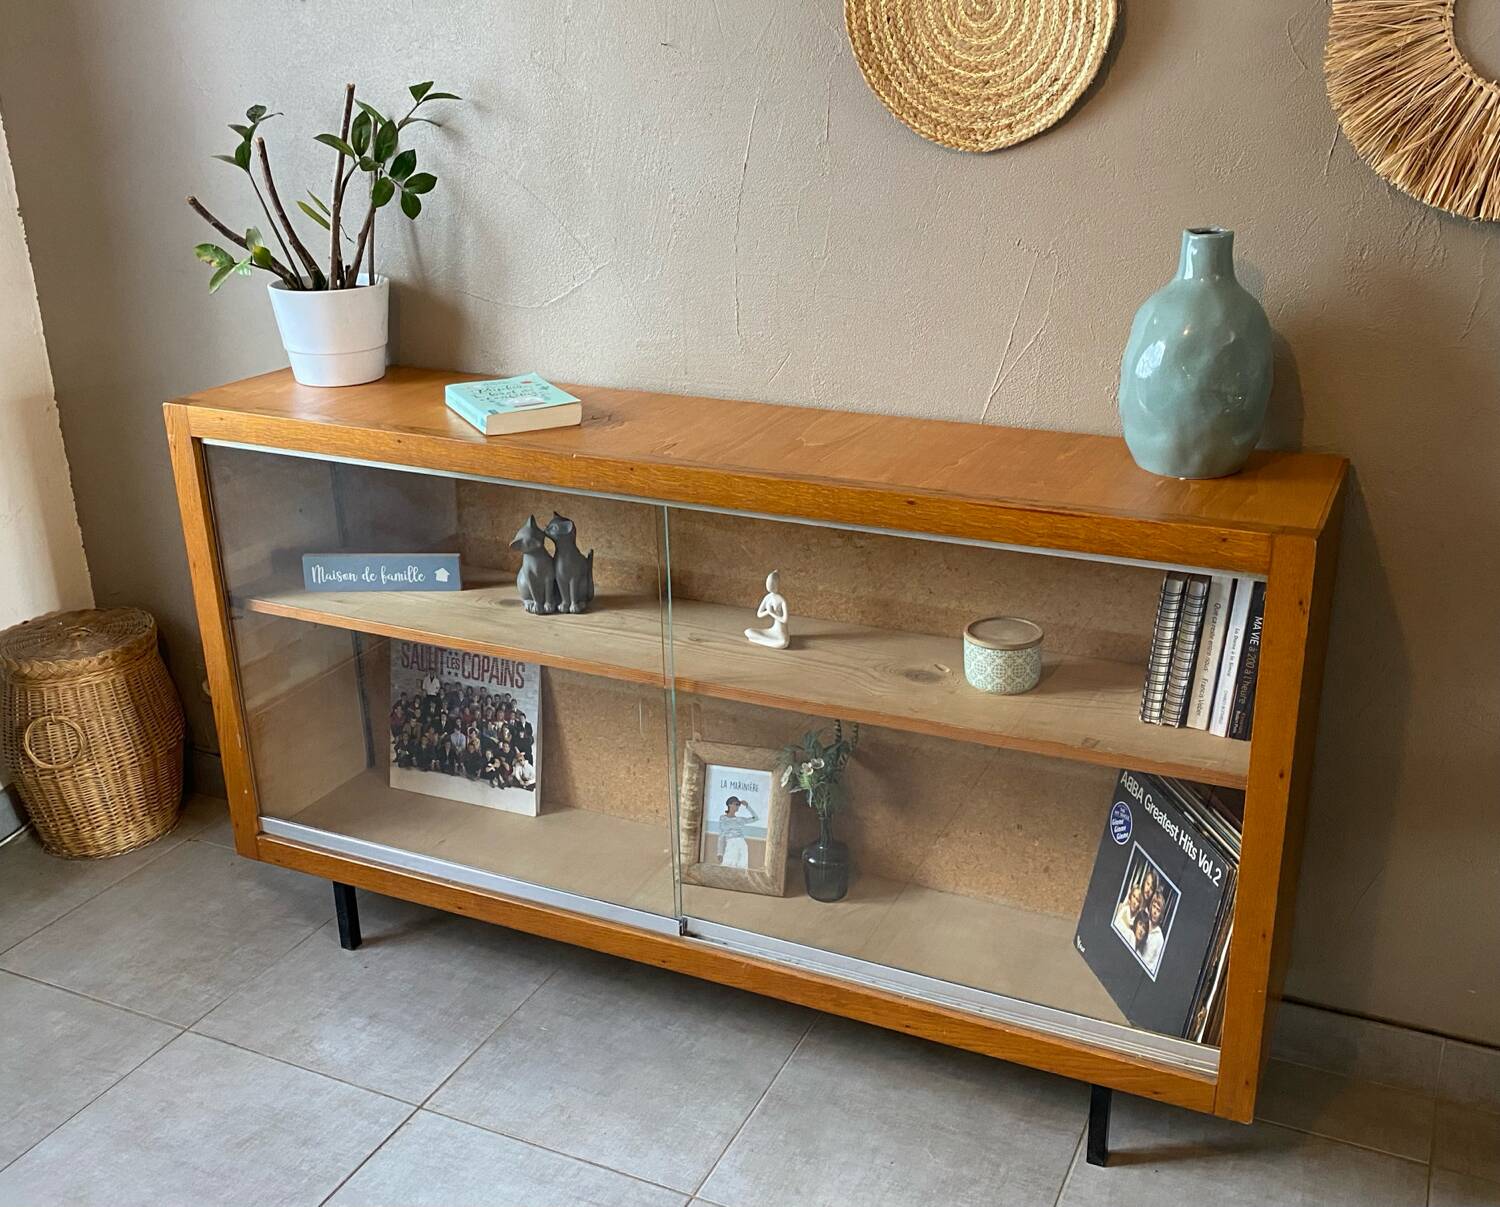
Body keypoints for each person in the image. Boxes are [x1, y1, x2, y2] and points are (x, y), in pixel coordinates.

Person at [716, 795, 758, 869]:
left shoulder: (740, 819)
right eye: (736, 804)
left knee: (742, 868)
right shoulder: (723, 818)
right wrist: (720, 852)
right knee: (727, 867)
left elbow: (756, 818)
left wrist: (747, 806)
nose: (738, 806)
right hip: (730, 844)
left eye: (739, 805)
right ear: (730, 804)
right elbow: (721, 836)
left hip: (741, 843)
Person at [1143, 891, 1169, 975]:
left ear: (1160, 914)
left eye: (1158, 910)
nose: (1155, 912)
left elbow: (1155, 966)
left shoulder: (1160, 939)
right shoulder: (1142, 920)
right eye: (1154, 907)